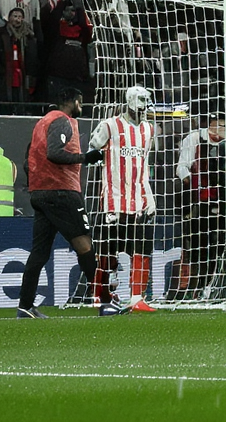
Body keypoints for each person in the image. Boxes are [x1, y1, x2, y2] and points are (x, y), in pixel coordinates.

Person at [17, 88, 112, 318]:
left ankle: (25, 306)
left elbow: (29, 161)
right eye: (80, 102)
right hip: (62, 192)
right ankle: (105, 302)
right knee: (85, 245)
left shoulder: (42, 123)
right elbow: (54, 153)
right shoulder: (62, 121)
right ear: (72, 102)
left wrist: (38, 184)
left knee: (39, 253)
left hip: (41, 193)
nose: (81, 106)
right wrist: (85, 158)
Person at [88, 85, 159, 312]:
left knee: (142, 248)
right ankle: (100, 294)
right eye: (141, 103)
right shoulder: (109, 126)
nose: (144, 109)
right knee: (108, 251)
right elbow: (92, 149)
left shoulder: (149, 129)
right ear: (130, 102)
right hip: (114, 200)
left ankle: (136, 298)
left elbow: (145, 165)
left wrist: (150, 197)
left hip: (139, 200)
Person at [175, 113, 226, 300]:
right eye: (218, 124)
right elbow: (181, 168)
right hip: (199, 203)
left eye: (223, 125)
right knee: (198, 246)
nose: (221, 128)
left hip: (224, 202)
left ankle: (211, 285)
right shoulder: (195, 139)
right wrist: (193, 185)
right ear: (210, 124)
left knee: (219, 246)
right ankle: (195, 286)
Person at [0, 7, 42, 114]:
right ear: (9, 18)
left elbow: (33, 58)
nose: (17, 19)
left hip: (22, 76)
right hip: (5, 75)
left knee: (21, 104)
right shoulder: (1, 34)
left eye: (20, 17)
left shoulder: (29, 35)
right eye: (15, 16)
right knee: (5, 105)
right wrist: (0, 70)